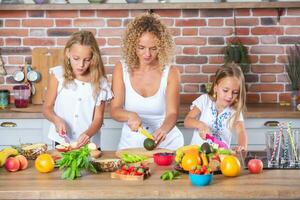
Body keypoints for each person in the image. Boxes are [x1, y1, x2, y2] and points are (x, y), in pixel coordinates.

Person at [110, 13, 184, 150]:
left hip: (166, 144)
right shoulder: (121, 68)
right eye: (141, 47)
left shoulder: (171, 73)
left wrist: (163, 130)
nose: (147, 54)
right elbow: (114, 110)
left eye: (153, 48)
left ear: (161, 47)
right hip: (130, 145)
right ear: (132, 46)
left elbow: (172, 113)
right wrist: (129, 115)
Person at [43, 30, 113, 148]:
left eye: (87, 60)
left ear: (93, 58)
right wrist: (56, 120)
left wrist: (87, 134)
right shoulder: (58, 75)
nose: (81, 65)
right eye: (76, 58)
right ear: (67, 53)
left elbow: (98, 119)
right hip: (62, 142)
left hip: (90, 144)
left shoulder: (101, 83)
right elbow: (47, 108)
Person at [184, 63, 247, 151]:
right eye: (225, 90)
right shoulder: (204, 100)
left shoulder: (234, 111)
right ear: (216, 87)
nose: (230, 96)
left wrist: (242, 147)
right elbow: (187, 121)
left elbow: (241, 131)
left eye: (235, 92)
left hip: (220, 157)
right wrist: (200, 125)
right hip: (196, 156)